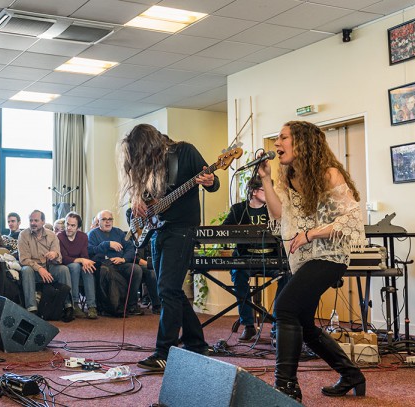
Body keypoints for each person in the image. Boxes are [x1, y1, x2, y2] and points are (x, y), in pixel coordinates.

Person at [258, 121, 367, 401]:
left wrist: (310, 234)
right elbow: (279, 213)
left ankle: (286, 387)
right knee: (304, 323)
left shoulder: (329, 174)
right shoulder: (289, 176)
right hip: (304, 259)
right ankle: (351, 374)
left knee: (284, 307)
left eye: (283, 138)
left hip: (330, 256)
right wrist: (266, 180)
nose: (276, 143)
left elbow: (352, 219)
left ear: (302, 142)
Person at [120, 124, 220, 371]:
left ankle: (164, 352)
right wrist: (137, 202)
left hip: (182, 228)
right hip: (157, 230)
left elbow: (213, 183)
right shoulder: (148, 165)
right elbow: (144, 195)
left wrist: (211, 181)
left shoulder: (185, 151)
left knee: (167, 289)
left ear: (151, 145)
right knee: (171, 289)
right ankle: (197, 343)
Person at [222, 175, 289, 342]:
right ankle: (248, 325)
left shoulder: (274, 209)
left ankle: (277, 324)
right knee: (239, 274)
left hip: (271, 259)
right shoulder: (238, 210)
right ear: (253, 191)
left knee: (287, 275)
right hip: (245, 258)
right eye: (264, 189)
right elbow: (223, 231)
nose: (269, 193)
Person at [18, 210, 74, 322]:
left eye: (36, 220)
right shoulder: (23, 235)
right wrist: (39, 268)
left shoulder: (52, 235)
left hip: (49, 267)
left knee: (64, 269)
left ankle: (68, 306)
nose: (33, 223)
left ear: (43, 221)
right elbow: (23, 259)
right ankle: (32, 309)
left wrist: (55, 255)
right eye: (31, 220)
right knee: (26, 270)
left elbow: (59, 258)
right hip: (33, 269)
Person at [87, 209, 144, 316]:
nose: (107, 222)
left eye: (110, 219)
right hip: (103, 264)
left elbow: (130, 249)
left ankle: (131, 304)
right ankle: (112, 306)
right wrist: (107, 244)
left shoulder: (119, 232)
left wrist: (123, 259)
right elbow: (90, 251)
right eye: (104, 219)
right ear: (98, 222)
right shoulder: (93, 234)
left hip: (120, 263)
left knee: (135, 269)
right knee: (107, 271)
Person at [57, 212, 98, 319]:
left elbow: (84, 255)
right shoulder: (59, 236)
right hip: (66, 266)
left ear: (78, 227)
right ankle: (74, 303)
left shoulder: (83, 237)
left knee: (87, 268)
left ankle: (91, 306)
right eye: (67, 224)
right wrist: (81, 260)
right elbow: (64, 258)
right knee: (75, 266)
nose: (69, 228)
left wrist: (84, 262)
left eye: (72, 225)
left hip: (79, 264)